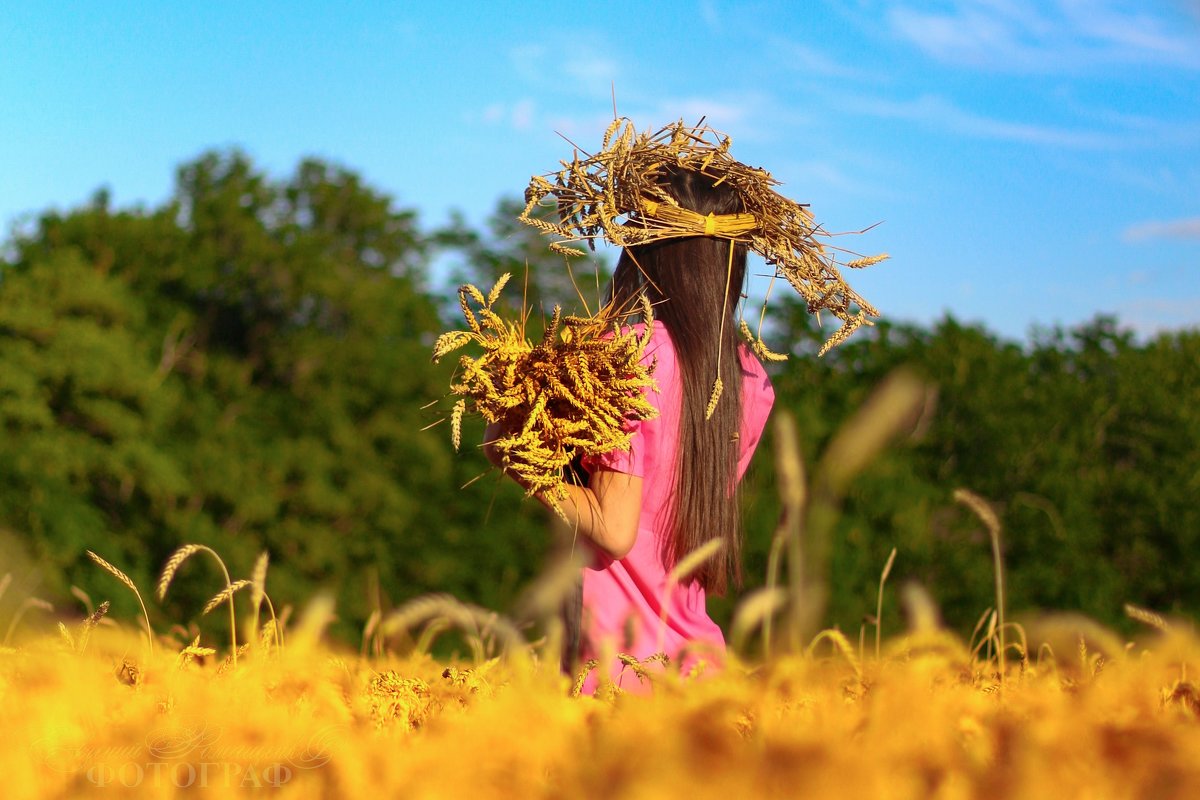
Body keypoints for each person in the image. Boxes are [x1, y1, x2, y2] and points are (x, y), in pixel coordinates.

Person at [486, 166, 775, 693]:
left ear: (646, 248)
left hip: (611, 673)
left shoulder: (629, 356)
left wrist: (513, 453)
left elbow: (614, 529)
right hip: (698, 676)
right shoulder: (750, 379)